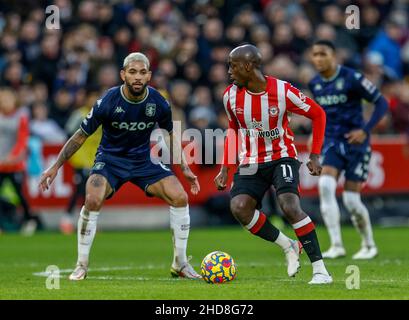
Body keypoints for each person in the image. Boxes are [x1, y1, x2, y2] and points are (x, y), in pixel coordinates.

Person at [39, 52, 201, 280]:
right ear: (123, 74)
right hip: (110, 160)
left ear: (149, 76)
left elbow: (171, 134)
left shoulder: (158, 102)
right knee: (92, 199)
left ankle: (180, 264)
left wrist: (184, 167)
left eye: (142, 72)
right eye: (132, 72)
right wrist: (56, 166)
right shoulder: (108, 101)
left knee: (180, 197)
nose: (137, 77)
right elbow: (80, 136)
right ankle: (81, 265)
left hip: (144, 160)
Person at [214, 44, 332, 284]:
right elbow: (233, 130)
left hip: (282, 156)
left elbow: (318, 114)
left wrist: (315, 154)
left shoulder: (282, 90)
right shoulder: (230, 96)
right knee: (239, 208)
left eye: (233, 66)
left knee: (289, 206)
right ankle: (287, 245)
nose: (229, 71)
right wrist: (226, 167)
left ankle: (320, 270)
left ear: (248, 66)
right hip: (250, 161)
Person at [309, 40, 388, 259]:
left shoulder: (352, 78)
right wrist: (314, 140)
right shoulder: (315, 83)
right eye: (315, 54)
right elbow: (318, 116)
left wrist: (365, 129)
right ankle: (337, 245)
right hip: (333, 142)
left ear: (334, 56)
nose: (318, 58)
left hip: (356, 143)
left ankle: (369, 245)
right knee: (325, 185)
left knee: (351, 201)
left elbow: (381, 103)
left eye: (323, 53)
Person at [59, 88, 102, 234]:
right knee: (79, 190)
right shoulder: (79, 115)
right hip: (80, 160)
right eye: (93, 97)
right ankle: (67, 220)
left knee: (91, 192)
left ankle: (86, 222)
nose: (95, 101)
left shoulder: (103, 114)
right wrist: (71, 156)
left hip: (95, 161)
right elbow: (69, 135)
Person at [0, 87, 42, 235]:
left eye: (7, 98)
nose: (4, 102)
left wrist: (12, 158)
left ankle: (29, 220)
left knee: (20, 195)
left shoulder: (21, 116)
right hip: (0, 163)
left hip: (14, 164)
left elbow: (22, 141)